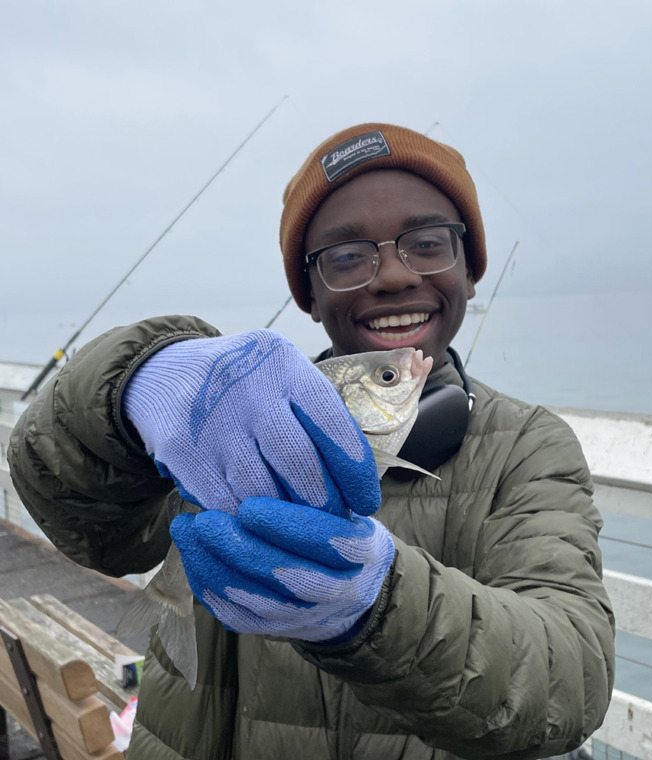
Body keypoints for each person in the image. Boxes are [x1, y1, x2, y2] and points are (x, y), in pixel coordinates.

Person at [8, 123, 615, 759]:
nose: (391, 277)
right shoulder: (236, 423)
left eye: (429, 243)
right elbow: (85, 520)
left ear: (470, 270)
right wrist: (132, 389)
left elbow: (568, 678)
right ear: (310, 292)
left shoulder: (529, 447)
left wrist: (379, 605)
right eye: (347, 256)